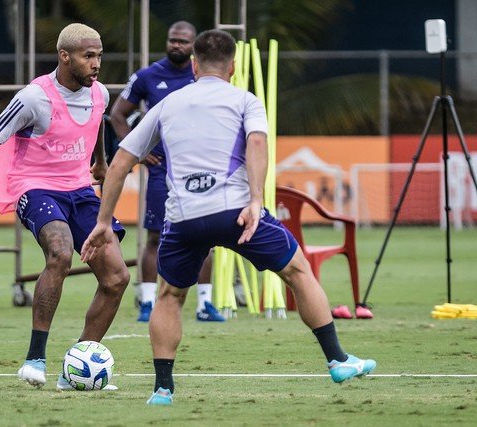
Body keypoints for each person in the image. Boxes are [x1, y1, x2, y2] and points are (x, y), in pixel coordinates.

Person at [81, 29, 376, 405]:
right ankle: (337, 359)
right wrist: (255, 200)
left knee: (169, 297)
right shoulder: (246, 100)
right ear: (233, 67)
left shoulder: (167, 104)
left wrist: (104, 223)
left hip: (184, 218)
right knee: (299, 272)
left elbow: (120, 164)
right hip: (237, 213)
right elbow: (256, 143)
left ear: (194, 65)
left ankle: (162, 389)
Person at [0, 23, 130, 391]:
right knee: (60, 253)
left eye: (99, 56)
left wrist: (100, 161)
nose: (96, 64)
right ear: (64, 56)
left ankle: (75, 368)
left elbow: (95, 127)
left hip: (78, 189)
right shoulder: (34, 98)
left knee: (116, 277)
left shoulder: (100, 95)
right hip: (34, 187)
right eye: (88, 56)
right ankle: (35, 358)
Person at [110, 21, 224, 323]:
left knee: (206, 236)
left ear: (193, 47)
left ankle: (205, 305)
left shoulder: (203, 76)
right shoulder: (148, 76)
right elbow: (117, 114)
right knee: (154, 237)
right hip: (162, 169)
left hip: (199, 167)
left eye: (184, 42)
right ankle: (147, 302)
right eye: (173, 40)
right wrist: (138, 150)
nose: (177, 46)